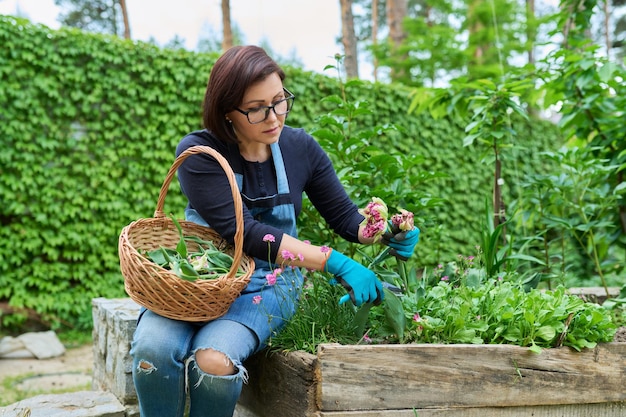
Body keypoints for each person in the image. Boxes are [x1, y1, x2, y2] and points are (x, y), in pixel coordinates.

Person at [130, 45, 419, 417]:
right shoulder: (200, 152)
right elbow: (245, 233)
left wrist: (385, 230)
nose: (273, 117)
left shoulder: (301, 148)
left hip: (266, 284)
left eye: (280, 101)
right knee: (152, 350)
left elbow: (347, 219)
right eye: (256, 108)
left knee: (213, 361)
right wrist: (335, 263)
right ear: (226, 112)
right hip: (198, 279)